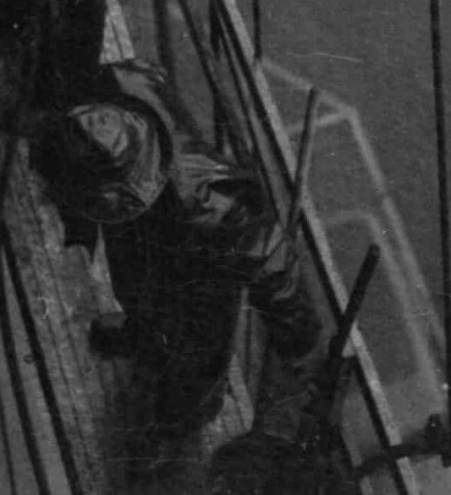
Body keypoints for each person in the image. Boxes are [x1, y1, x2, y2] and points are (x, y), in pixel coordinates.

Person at [32, 58, 323, 445]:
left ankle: (181, 426)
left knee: (195, 356)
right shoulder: (121, 85)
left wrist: (300, 343)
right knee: (135, 286)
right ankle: (141, 334)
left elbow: (273, 263)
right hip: (144, 231)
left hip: (200, 267)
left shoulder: (213, 206)